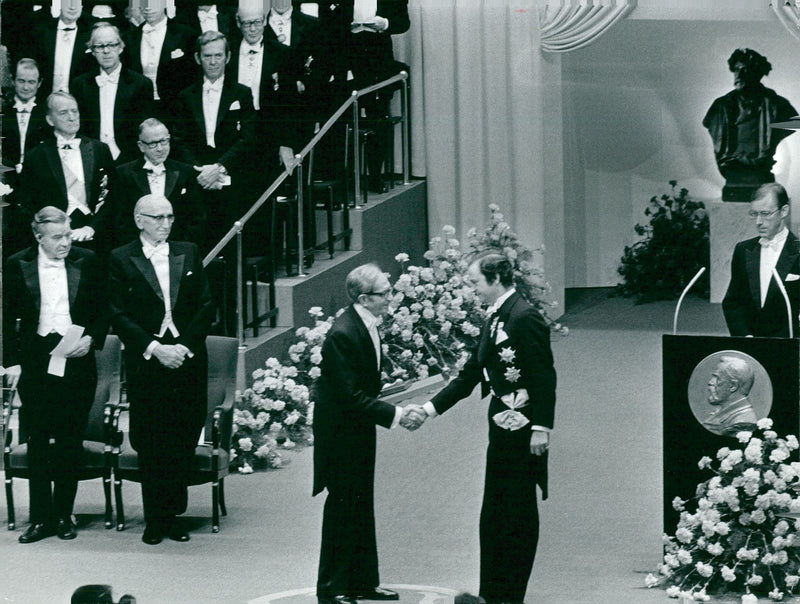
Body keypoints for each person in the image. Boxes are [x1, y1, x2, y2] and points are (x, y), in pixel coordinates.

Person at [416, 254, 557, 604]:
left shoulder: (524, 318)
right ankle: (492, 593)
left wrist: (542, 427)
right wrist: (429, 409)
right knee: (495, 515)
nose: (472, 289)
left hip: (523, 432)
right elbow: (470, 374)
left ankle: (509, 597)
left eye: (475, 282)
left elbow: (544, 376)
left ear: (495, 279)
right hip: (502, 429)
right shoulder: (497, 316)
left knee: (517, 514)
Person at [313, 263, 425, 604]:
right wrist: (397, 414)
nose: (390, 299)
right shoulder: (343, 333)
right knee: (343, 505)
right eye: (385, 294)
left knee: (361, 503)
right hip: (340, 432)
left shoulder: (368, 324)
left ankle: (362, 580)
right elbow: (349, 396)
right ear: (364, 298)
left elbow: (361, 386)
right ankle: (332, 588)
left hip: (357, 427)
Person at [108, 194, 215, 545]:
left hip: (186, 358)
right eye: (157, 217)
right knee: (152, 440)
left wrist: (182, 347)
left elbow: (206, 304)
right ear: (139, 220)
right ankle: (156, 519)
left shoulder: (189, 250)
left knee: (183, 435)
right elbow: (118, 314)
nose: (166, 224)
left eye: (169, 216)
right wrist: (155, 348)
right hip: (149, 362)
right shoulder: (120, 258)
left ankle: (174, 514)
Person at [2, 206, 109, 543]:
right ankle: (40, 517)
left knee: (69, 438)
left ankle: (64, 513)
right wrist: (11, 362)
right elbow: (6, 315)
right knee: (36, 439)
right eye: (58, 238)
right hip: (35, 360)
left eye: (68, 235)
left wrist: (92, 339)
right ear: (38, 237)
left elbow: (103, 308)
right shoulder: (16, 262)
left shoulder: (88, 260)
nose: (65, 243)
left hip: (76, 357)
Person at [18, 91, 116, 253]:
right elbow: (28, 204)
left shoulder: (100, 149)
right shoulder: (35, 157)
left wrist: (92, 227)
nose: (72, 117)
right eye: (63, 113)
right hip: (54, 240)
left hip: (96, 235)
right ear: (50, 119)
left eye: (74, 111)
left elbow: (114, 195)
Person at [703, 48, 797, 201]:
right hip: (733, 169)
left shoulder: (776, 105)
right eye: (736, 70)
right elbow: (709, 123)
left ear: (757, 74)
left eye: (745, 70)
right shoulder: (720, 107)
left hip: (761, 170)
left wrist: (772, 129)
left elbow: (794, 123)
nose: (739, 74)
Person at [111, 118, 206, 249]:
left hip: (178, 250)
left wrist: (179, 249)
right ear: (141, 146)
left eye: (164, 141)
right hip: (138, 251)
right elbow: (120, 220)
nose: (160, 148)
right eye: (153, 144)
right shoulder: (124, 174)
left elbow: (197, 217)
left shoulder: (185, 172)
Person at [722, 182, 800, 338]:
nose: (758, 221)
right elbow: (732, 302)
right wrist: (745, 336)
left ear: (783, 211)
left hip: (790, 346)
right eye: (754, 214)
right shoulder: (743, 250)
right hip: (751, 344)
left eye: (765, 213)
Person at [70, 22, 155, 163]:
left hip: (130, 159)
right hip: (91, 158)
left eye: (112, 45)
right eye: (99, 46)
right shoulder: (80, 84)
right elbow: (80, 129)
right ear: (92, 51)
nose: (106, 51)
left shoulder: (141, 84)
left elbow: (143, 131)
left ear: (121, 47)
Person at [1, 58, 51, 255]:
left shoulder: (46, 113)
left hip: (36, 180)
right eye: (21, 81)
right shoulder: (3, 110)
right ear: (13, 81)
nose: (26, 87)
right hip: (6, 179)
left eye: (31, 82)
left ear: (39, 83)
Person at [123, 1, 194, 116]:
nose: (148, 8)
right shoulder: (129, 38)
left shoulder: (186, 35)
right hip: (140, 107)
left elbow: (192, 76)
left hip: (175, 109)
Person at [29, 0, 95, 97]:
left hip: (78, 99)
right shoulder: (42, 32)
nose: (72, 7)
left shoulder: (90, 34)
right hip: (45, 98)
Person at [703, 355, 758, 437]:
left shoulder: (743, 422)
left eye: (717, 378)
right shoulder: (723, 414)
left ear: (733, 386)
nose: (710, 382)